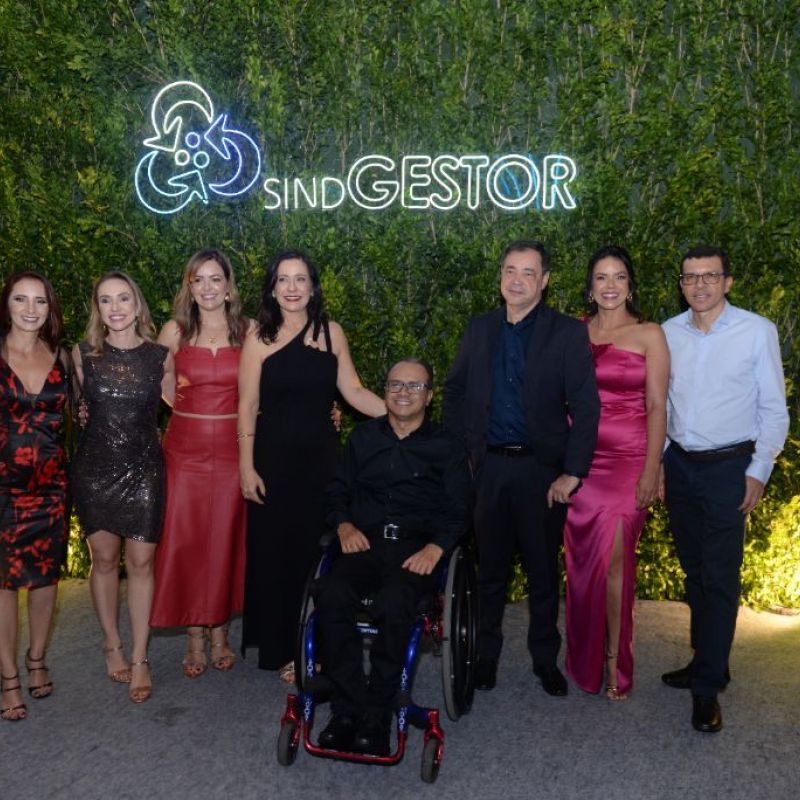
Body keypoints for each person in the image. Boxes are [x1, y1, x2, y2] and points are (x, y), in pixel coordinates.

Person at [443, 239, 600, 696]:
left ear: (544, 281)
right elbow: (455, 393)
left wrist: (573, 472)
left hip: (541, 474)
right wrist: (459, 458)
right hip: (488, 469)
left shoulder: (567, 333)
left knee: (542, 574)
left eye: (528, 272)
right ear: (500, 277)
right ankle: (485, 657)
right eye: (510, 270)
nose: (517, 280)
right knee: (490, 573)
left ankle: (544, 660)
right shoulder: (479, 329)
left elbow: (586, 406)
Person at [238, 249, 385, 681]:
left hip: (322, 464)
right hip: (272, 464)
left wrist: (401, 415)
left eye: (300, 279)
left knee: (318, 556)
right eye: (283, 279)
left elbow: (353, 392)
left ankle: (319, 645)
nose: (292, 288)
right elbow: (246, 405)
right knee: (277, 556)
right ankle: (285, 648)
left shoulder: (331, 333)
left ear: (313, 287)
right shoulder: (257, 338)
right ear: (272, 289)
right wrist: (245, 467)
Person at [660, 245, 788, 733]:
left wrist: (758, 470)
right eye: (690, 277)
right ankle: (707, 659)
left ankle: (707, 688)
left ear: (728, 282)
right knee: (694, 572)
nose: (700, 285)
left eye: (710, 276)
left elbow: (774, 409)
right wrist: (661, 462)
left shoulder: (757, 331)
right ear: (681, 284)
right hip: (680, 467)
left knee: (719, 577)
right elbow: (662, 405)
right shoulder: (669, 332)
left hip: (729, 469)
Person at [315, 358, 470, 755]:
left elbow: (459, 510)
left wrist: (436, 548)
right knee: (331, 593)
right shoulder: (363, 438)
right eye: (395, 384)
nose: (403, 392)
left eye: (414, 386)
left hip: (415, 549)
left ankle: (377, 713)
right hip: (363, 543)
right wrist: (343, 526)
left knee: (394, 602)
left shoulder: (446, 445)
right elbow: (336, 492)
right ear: (384, 391)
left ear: (429, 396)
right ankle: (346, 709)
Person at [563, 246, 669, 700]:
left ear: (630, 285)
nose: (610, 285)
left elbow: (657, 404)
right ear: (590, 287)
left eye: (619, 277)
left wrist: (653, 467)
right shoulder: (573, 332)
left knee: (614, 565)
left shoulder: (649, 334)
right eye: (601, 277)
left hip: (628, 462)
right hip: (579, 464)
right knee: (581, 565)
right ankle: (582, 657)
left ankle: (614, 659)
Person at [72, 271, 174, 703]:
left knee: (142, 563)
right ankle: (112, 643)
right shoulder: (82, 355)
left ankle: (140, 656)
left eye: (123, 298)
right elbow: (71, 410)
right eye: (106, 300)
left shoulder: (160, 356)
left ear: (137, 305)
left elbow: (191, 407)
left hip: (145, 470)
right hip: (95, 470)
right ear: (98, 309)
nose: (115, 308)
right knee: (104, 560)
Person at [150, 249, 249, 677]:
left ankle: (220, 632)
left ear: (228, 287)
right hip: (184, 451)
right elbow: (157, 381)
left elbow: (272, 384)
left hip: (232, 450)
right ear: (189, 288)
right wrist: (187, 410)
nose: (207, 287)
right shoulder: (174, 331)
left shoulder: (249, 331)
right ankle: (194, 635)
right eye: (198, 280)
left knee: (225, 538)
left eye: (215, 279)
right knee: (186, 540)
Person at [0, 272, 70, 722]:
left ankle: (37, 658)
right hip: (3, 487)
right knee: (3, 583)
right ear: (6, 304)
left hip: (51, 485)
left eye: (40, 301)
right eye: (20, 299)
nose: (30, 309)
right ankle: (8, 677)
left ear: (50, 308)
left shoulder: (62, 356)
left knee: (46, 579)